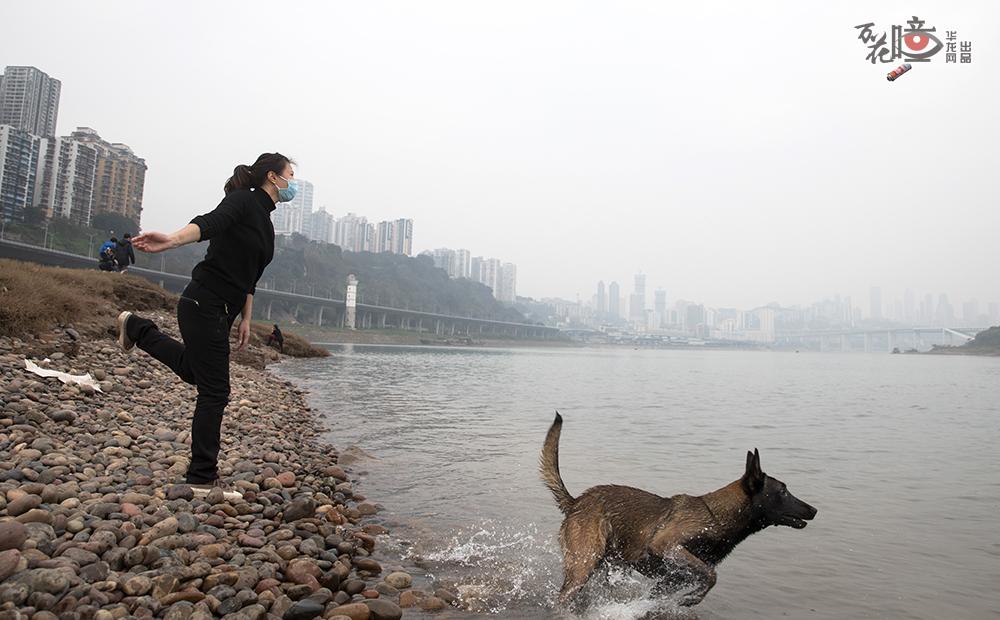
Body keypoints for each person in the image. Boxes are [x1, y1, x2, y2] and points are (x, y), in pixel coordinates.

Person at [116, 153, 294, 498]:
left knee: (196, 372)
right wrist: (171, 239)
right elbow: (209, 223)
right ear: (273, 177)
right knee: (215, 391)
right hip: (203, 302)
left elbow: (249, 275)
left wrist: (246, 316)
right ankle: (201, 477)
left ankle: (136, 328)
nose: (293, 183)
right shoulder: (242, 201)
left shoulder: (266, 223)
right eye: (290, 175)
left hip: (221, 309)